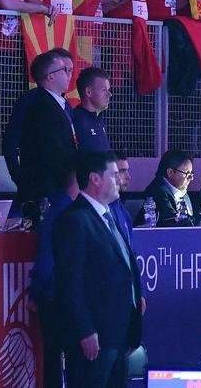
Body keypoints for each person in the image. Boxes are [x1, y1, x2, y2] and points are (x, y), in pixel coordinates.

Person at [51, 150, 143, 388]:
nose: (120, 180)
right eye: (114, 175)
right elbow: (69, 281)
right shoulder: (75, 219)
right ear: (95, 178)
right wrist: (84, 329)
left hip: (118, 334)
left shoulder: (108, 215)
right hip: (95, 336)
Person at [5, 48, 78, 212]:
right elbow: (54, 152)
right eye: (64, 70)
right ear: (50, 76)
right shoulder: (43, 107)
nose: (69, 74)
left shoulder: (60, 105)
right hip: (50, 191)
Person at [144, 149, 198, 225]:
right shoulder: (158, 192)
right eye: (187, 173)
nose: (191, 178)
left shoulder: (183, 194)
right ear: (170, 172)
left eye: (191, 173)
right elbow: (173, 223)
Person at [70, 66, 113, 152]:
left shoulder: (99, 120)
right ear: (88, 92)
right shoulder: (76, 121)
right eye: (104, 90)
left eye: (108, 90)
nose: (109, 94)